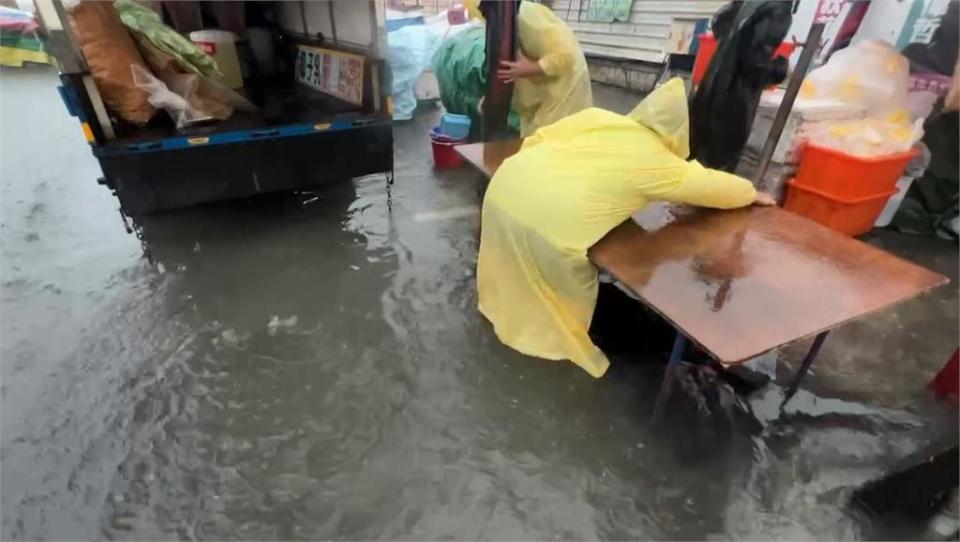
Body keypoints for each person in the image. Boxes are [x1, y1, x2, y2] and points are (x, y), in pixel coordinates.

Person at [477, 78, 775, 378]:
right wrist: (750, 193)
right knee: (566, 300)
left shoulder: (599, 119)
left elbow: (539, 138)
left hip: (503, 190)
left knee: (520, 265)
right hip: (546, 226)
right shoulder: (656, 160)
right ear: (677, 133)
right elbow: (715, 188)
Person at [467, 0, 592, 137]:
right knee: (530, 142)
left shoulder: (527, 17)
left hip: (565, 89)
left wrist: (530, 68)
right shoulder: (504, 23)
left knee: (552, 141)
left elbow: (567, 55)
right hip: (538, 93)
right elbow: (507, 63)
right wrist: (490, 97)